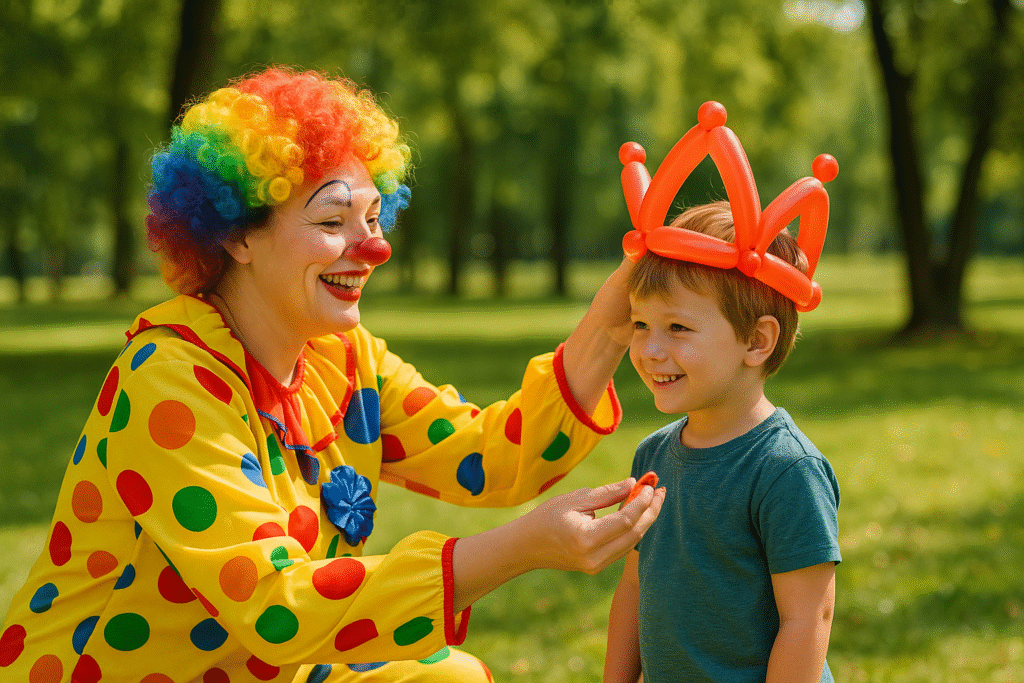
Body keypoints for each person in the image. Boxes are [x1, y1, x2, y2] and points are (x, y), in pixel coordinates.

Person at [0, 67, 665, 683]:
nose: (374, 247)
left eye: (374, 217)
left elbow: (492, 456)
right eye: (331, 220)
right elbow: (276, 606)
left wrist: (613, 317)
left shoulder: (344, 360)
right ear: (237, 235)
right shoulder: (166, 381)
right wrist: (517, 548)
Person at [603, 202, 842, 683]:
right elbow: (633, 586)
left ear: (756, 341)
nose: (650, 349)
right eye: (641, 324)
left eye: (677, 327)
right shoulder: (652, 455)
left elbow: (807, 619)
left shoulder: (785, 469)